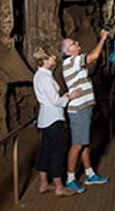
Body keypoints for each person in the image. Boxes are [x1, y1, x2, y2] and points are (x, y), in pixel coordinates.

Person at [60, 28, 111, 193]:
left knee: (84, 143)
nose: (77, 43)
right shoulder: (71, 62)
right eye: (74, 43)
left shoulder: (75, 63)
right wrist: (103, 38)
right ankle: (70, 179)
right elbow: (94, 57)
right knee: (77, 145)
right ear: (69, 51)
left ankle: (89, 174)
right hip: (79, 110)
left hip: (85, 108)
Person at [32, 46, 83, 197]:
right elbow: (56, 101)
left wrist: (63, 96)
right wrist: (70, 96)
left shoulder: (40, 75)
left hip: (45, 118)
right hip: (53, 118)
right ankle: (59, 186)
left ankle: (43, 183)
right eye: (52, 57)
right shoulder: (45, 78)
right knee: (57, 152)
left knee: (46, 150)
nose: (55, 58)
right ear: (45, 60)